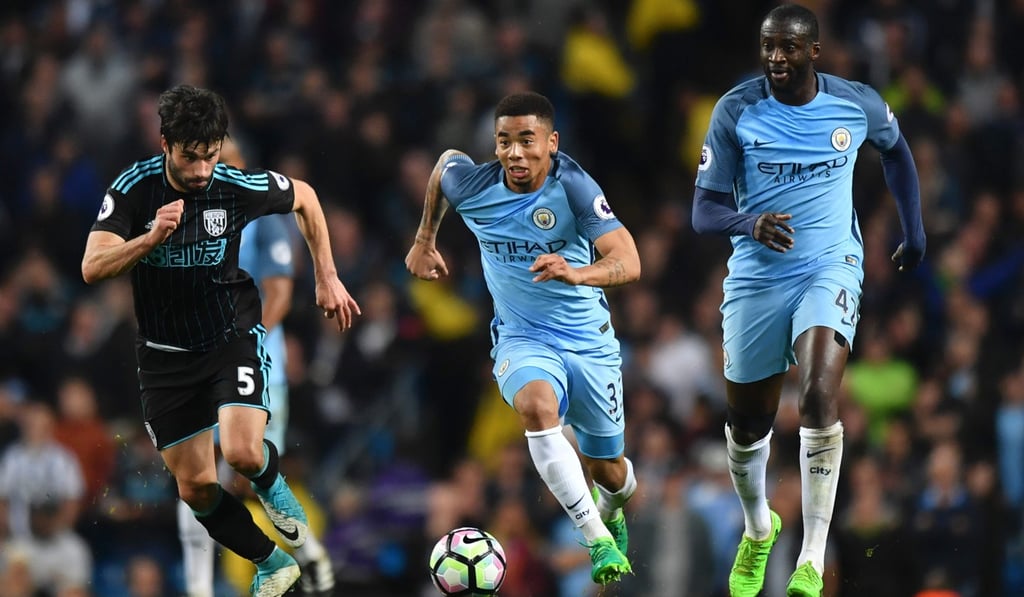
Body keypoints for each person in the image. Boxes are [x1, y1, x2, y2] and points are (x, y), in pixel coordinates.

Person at [81, 84, 360, 597]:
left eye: (210, 156)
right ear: (165, 143)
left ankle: (302, 542)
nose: (202, 170)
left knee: (243, 453)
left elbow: (306, 198)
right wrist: (147, 239)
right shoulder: (133, 188)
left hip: (230, 336)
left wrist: (326, 276)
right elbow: (91, 267)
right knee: (195, 488)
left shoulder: (230, 184)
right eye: (191, 158)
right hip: (164, 358)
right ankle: (274, 562)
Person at [691, 4, 926, 597]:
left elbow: (896, 152)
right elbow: (703, 211)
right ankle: (757, 528)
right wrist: (748, 222)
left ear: (814, 51)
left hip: (829, 268)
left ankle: (812, 558)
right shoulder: (736, 110)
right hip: (756, 280)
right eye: (768, 46)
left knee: (819, 395)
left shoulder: (857, 103)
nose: (775, 57)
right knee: (749, 425)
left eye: (788, 48)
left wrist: (913, 230)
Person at [405, 91, 641, 586]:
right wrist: (425, 237)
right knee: (536, 407)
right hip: (522, 337)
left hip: (588, 343)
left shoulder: (573, 186)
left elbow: (629, 261)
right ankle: (596, 536)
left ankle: (611, 510)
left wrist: (577, 272)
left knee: (611, 472)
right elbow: (445, 163)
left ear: (551, 143)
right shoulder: (473, 186)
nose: (514, 153)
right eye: (504, 141)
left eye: (526, 141)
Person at [175, 137, 335, 597]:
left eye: (223, 162)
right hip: (197, 367)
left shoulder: (264, 221)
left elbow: (280, 294)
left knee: (251, 483)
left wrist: (236, 343)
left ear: (243, 168)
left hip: (258, 369)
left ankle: (307, 554)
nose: (212, 172)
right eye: (205, 163)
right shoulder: (186, 218)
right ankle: (199, 589)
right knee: (196, 479)